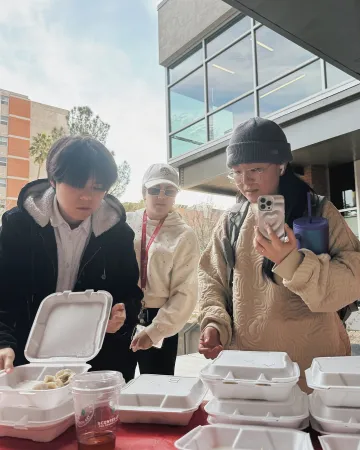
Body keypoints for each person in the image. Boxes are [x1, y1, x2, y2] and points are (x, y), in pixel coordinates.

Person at [198, 117, 360, 391]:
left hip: (316, 371)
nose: (245, 181)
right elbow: (211, 279)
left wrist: (293, 263)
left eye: (256, 169)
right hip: (252, 372)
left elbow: (354, 279)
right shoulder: (232, 220)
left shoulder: (319, 211)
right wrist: (214, 323)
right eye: (236, 172)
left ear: (282, 165)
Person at [0, 136, 143, 382]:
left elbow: (130, 294)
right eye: (78, 185)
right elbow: (4, 292)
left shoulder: (118, 234)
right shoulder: (19, 226)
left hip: (94, 360)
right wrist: (3, 341)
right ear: (54, 181)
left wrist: (121, 314)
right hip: (27, 356)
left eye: (97, 187)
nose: (87, 197)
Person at [126, 163, 200, 376]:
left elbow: (184, 292)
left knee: (156, 389)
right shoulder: (126, 223)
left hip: (160, 317)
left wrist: (156, 331)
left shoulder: (184, 235)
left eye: (169, 191)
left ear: (175, 196)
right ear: (143, 192)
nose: (161, 196)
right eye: (154, 189)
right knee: (120, 386)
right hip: (124, 315)